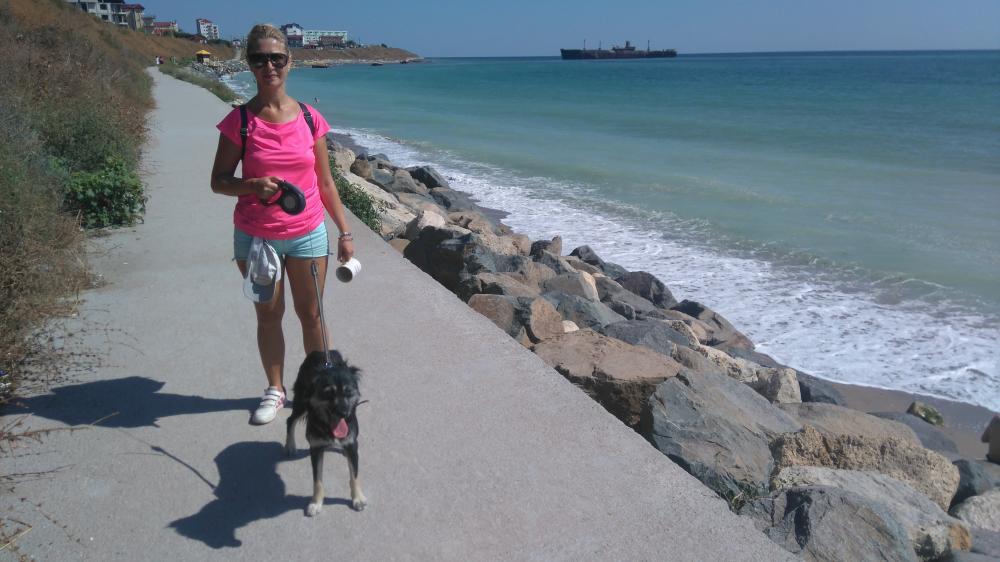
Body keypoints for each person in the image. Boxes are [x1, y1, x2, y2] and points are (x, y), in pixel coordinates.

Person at [210, 23, 355, 425]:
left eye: (276, 58)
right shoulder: (239, 122)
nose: (268, 66)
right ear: (250, 65)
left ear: (290, 62)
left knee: (313, 316)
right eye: (260, 59)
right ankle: (275, 390)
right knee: (268, 316)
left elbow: (326, 182)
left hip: (308, 234)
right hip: (257, 239)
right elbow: (218, 182)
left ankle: (320, 391)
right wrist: (251, 186)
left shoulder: (309, 118)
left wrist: (344, 232)